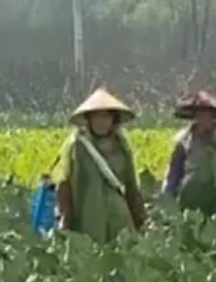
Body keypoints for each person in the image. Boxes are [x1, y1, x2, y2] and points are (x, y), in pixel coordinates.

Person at [52, 88, 146, 242]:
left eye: (106, 117)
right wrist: (65, 221)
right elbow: (64, 184)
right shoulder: (77, 146)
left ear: (113, 119)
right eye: (97, 117)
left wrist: (141, 221)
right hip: (87, 219)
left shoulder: (122, 147)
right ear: (89, 119)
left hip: (119, 220)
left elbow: (131, 187)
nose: (102, 122)